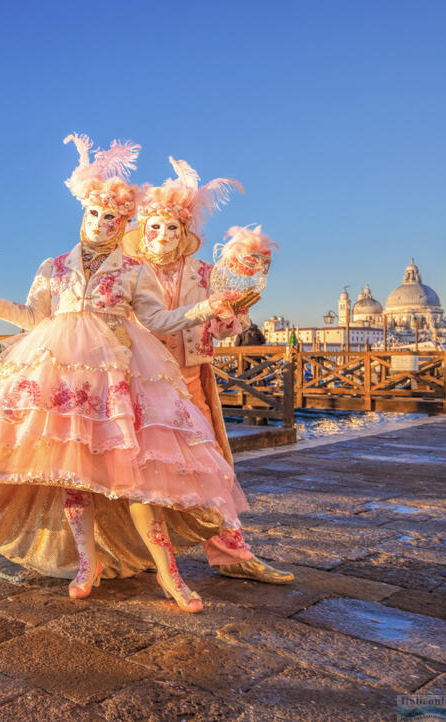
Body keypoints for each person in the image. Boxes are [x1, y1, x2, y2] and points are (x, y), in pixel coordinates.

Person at [0, 136, 255, 613]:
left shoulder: (132, 269)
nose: (101, 224)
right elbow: (35, 317)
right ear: (83, 214)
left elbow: (158, 321)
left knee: (138, 475)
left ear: (124, 223)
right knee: (73, 475)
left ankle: (170, 574)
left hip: (120, 377)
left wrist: (209, 306)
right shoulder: (53, 266)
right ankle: (88, 563)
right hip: (64, 379)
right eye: (94, 214)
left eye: (112, 218)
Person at [124, 169, 292, 584]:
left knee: (210, 463)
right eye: (155, 226)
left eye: (172, 227)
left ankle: (233, 554)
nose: (162, 234)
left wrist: (233, 311)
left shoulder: (203, 272)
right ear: (143, 231)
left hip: (192, 375)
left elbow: (219, 327)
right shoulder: (126, 271)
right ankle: (139, 553)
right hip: (140, 380)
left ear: (184, 233)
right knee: (139, 468)